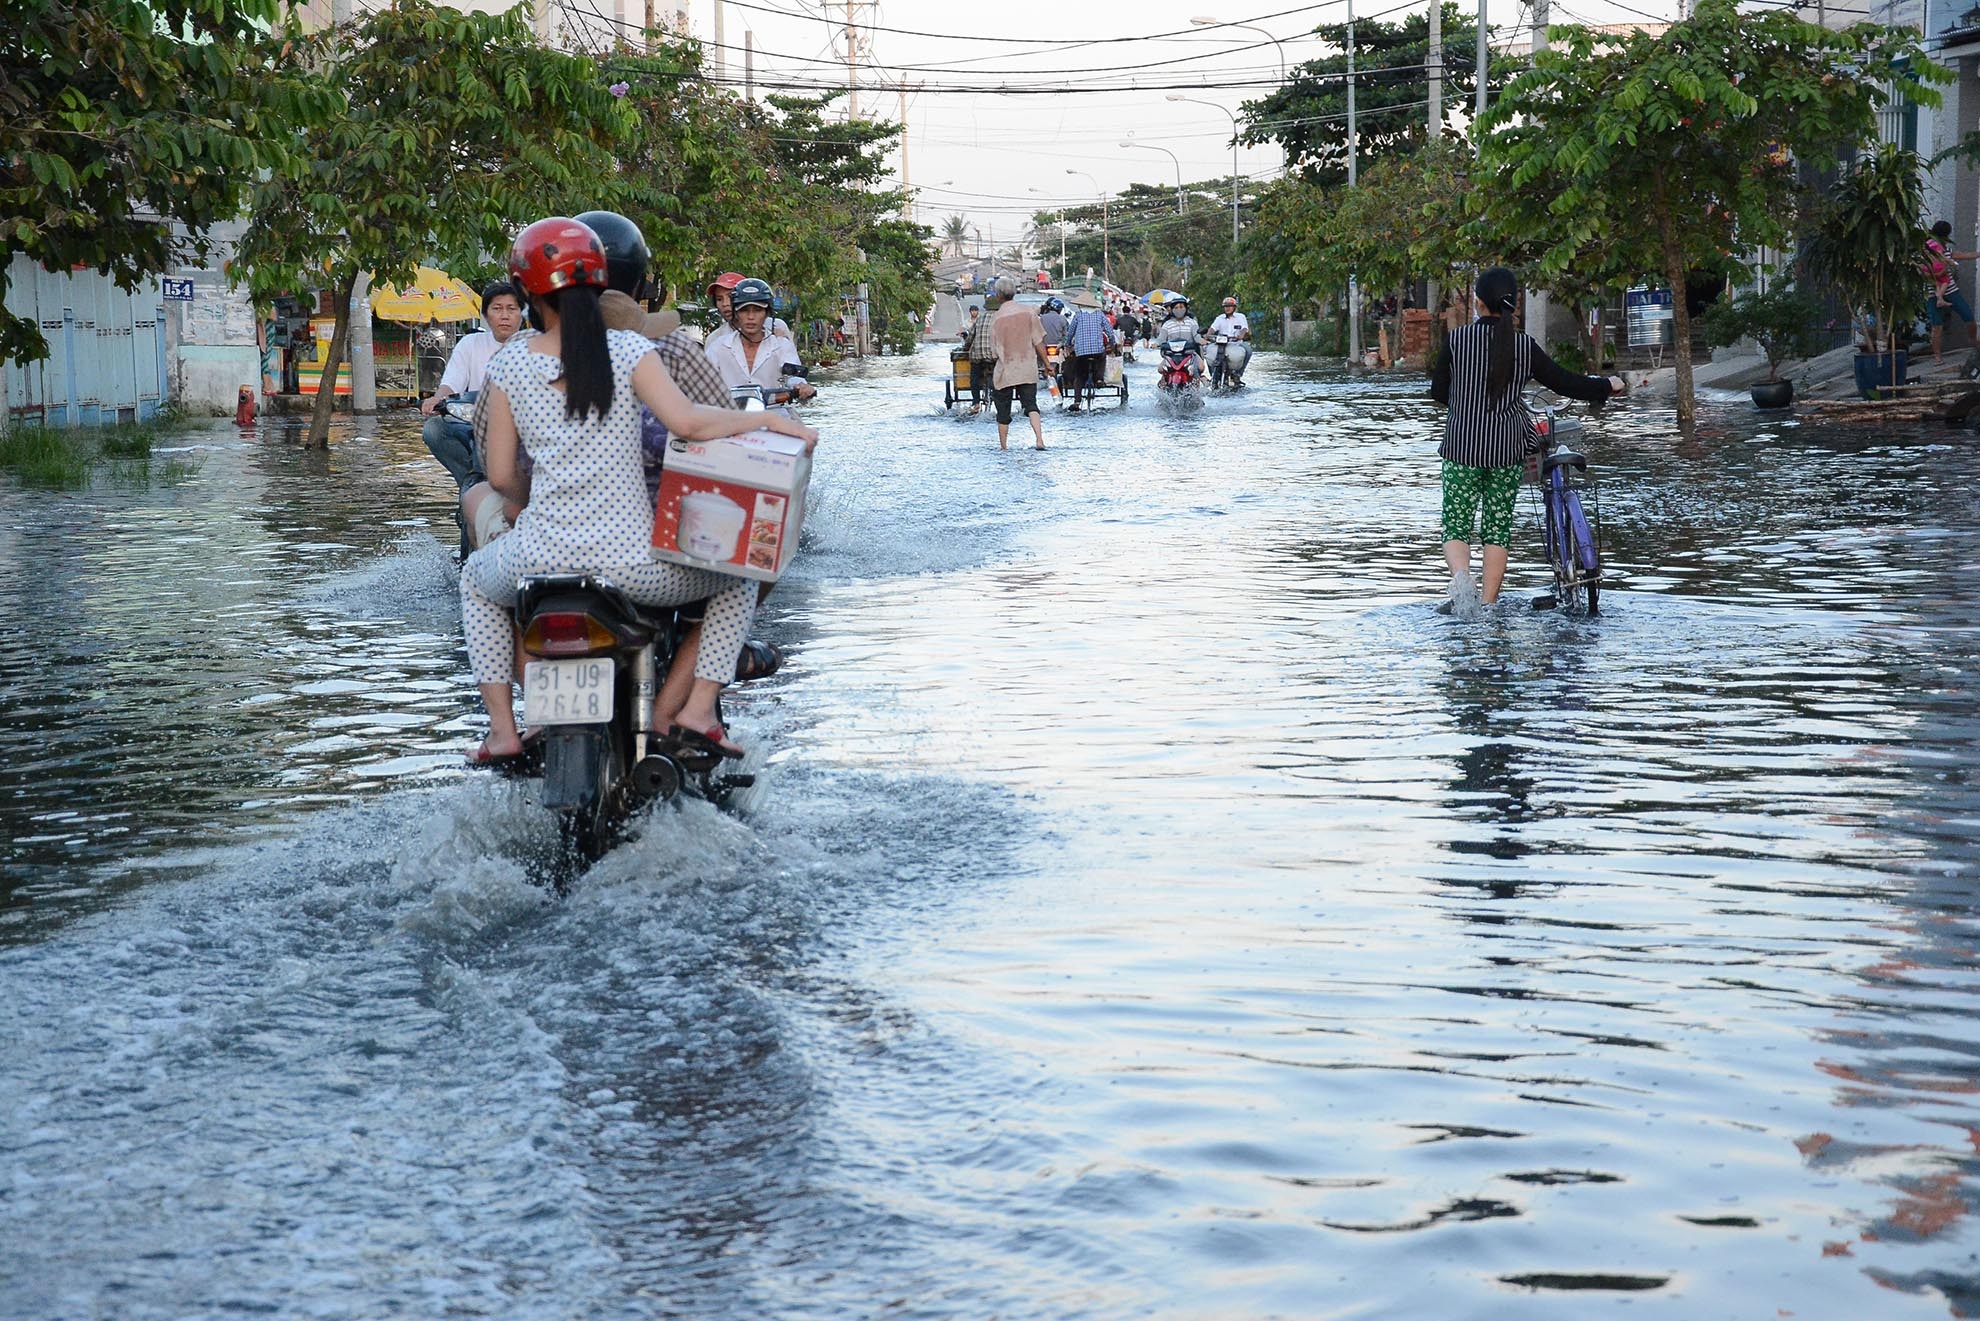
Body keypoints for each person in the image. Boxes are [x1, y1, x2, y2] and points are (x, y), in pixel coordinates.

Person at [459, 216, 816, 766]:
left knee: (475, 586)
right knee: (741, 577)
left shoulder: (508, 363)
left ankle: (506, 729)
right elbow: (693, 423)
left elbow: (501, 475)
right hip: (634, 565)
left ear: (527, 293)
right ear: (604, 285)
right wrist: (768, 422)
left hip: (535, 559)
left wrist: (539, 498)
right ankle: (694, 711)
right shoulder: (629, 351)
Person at [1429, 266, 1620, 613]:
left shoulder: (1457, 340)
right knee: (1497, 527)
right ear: (1513, 304)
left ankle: (1462, 582)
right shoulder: (1523, 346)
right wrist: (1606, 385)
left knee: (1456, 523)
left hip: (1461, 446)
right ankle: (1487, 606)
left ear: (1478, 303)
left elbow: (1439, 391)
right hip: (1506, 449)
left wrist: (1466, 408)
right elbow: (1564, 382)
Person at [421, 281, 524, 490]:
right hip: (471, 421)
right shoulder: (471, 344)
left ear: (522, 313)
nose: (505, 315)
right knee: (433, 429)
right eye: (497, 308)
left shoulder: (534, 345)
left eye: (511, 309)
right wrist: (436, 400)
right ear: (486, 315)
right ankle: (470, 484)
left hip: (521, 429)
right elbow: (451, 383)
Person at [706, 278, 816, 404]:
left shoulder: (781, 346)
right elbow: (703, 382)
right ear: (736, 313)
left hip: (774, 414)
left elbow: (793, 378)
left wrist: (802, 387)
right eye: (744, 310)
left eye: (757, 310)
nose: (751, 317)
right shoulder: (718, 346)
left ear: (767, 313)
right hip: (731, 417)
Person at [988, 276, 1047, 451]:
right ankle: (1039, 439)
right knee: (1031, 405)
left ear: (998, 295)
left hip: (1006, 370)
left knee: (1003, 410)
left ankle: (1004, 447)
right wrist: (1047, 364)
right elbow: (1038, 342)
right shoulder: (1029, 312)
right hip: (1027, 368)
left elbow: (993, 351)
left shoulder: (996, 319)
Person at [1921, 221, 1980, 361]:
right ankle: (1937, 356)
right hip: (1933, 291)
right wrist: (1939, 275)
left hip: (1950, 289)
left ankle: (1974, 342)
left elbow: (1962, 255)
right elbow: (1922, 273)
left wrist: (1977, 254)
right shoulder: (1926, 252)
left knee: (1969, 317)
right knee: (1937, 325)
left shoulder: (1944, 249)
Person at [1062, 289, 1115, 412]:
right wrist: (1112, 343)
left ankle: (1077, 402)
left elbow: (1070, 333)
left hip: (1081, 353)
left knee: (1079, 376)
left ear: (1081, 305)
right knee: (1102, 358)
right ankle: (1099, 378)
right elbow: (1109, 332)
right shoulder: (1099, 314)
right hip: (1097, 351)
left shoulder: (1078, 316)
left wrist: (1067, 344)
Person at [1206, 296, 1251, 387]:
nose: (1227, 308)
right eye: (1226, 306)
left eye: (1230, 306)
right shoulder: (1220, 318)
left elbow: (1244, 328)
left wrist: (1241, 335)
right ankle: (1213, 374)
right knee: (1208, 352)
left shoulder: (1240, 317)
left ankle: (1238, 374)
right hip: (1221, 344)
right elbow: (1213, 328)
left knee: (1248, 351)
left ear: (1234, 307)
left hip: (1236, 344)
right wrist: (1208, 334)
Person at [961, 305, 997, 411]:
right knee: (997, 372)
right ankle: (996, 395)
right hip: (993, 355)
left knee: (974, 376)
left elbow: (970, 337)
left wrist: (965, 348)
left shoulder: (980, 319)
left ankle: (976, 401)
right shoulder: (1001, 319)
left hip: (977, 354)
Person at [1159, 295, 1203, 377]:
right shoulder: (1167, 324)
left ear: (1186, 309)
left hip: (1189, 354)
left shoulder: (1192, 322)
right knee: (1161, 369)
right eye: (1176, 308)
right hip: (1171, 354)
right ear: (1172, 309)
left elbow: (1196, 336)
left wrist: (1201, 341)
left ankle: (1199, 381)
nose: (1179, 310)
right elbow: (1161, 338)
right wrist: (1156, 344)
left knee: (1201, 367)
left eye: (1181, 307)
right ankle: (1164, 381)